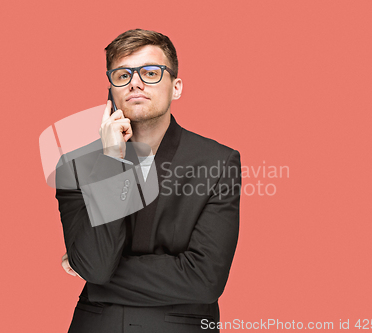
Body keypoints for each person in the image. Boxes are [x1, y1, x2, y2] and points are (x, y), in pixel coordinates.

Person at [55, 28, 241, 333]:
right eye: (122, 75)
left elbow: (204, 280)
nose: (136, 83)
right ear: (110, 89)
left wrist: (91, 269)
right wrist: (111, 161)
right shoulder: (75, 165)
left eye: (151, 72)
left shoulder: (218, 162)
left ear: (176, 87)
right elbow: (97, 265)